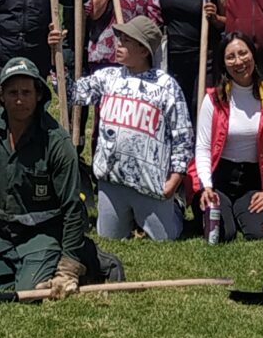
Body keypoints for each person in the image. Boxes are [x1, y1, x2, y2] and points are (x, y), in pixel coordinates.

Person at [0, 57, 96, 297]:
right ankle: (21, 267)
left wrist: (68, 267)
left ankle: (80, 255)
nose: (19, 100)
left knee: (29, 293)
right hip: (2, 233)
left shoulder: (57, 142)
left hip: (43, 233)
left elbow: (73, 208)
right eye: (13, 93)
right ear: (1, 96)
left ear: (38, 95)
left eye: (26, 92)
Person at [71, 13, 192, 242]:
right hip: (112, 179)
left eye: (126, 41)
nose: (118, 44)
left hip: (150, 183)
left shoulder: (166, 86)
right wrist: (55, 52)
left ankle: (174, 207)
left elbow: (183, 137)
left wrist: (175, 179)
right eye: (120, 39)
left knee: (164, 239)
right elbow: (73, 93)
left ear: (144, 50)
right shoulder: (108, 77)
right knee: (109, 237)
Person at [191, 35, 263, 242]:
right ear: (223, 63)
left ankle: (240, 212)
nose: (238, 61)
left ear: (253, 55)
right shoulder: (213, 99)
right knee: (220, 235)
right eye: (230, 57)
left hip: (253, 180)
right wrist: (206, 187)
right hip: (219, 180)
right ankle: (223, 212)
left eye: (243, 53)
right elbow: (202, 147)